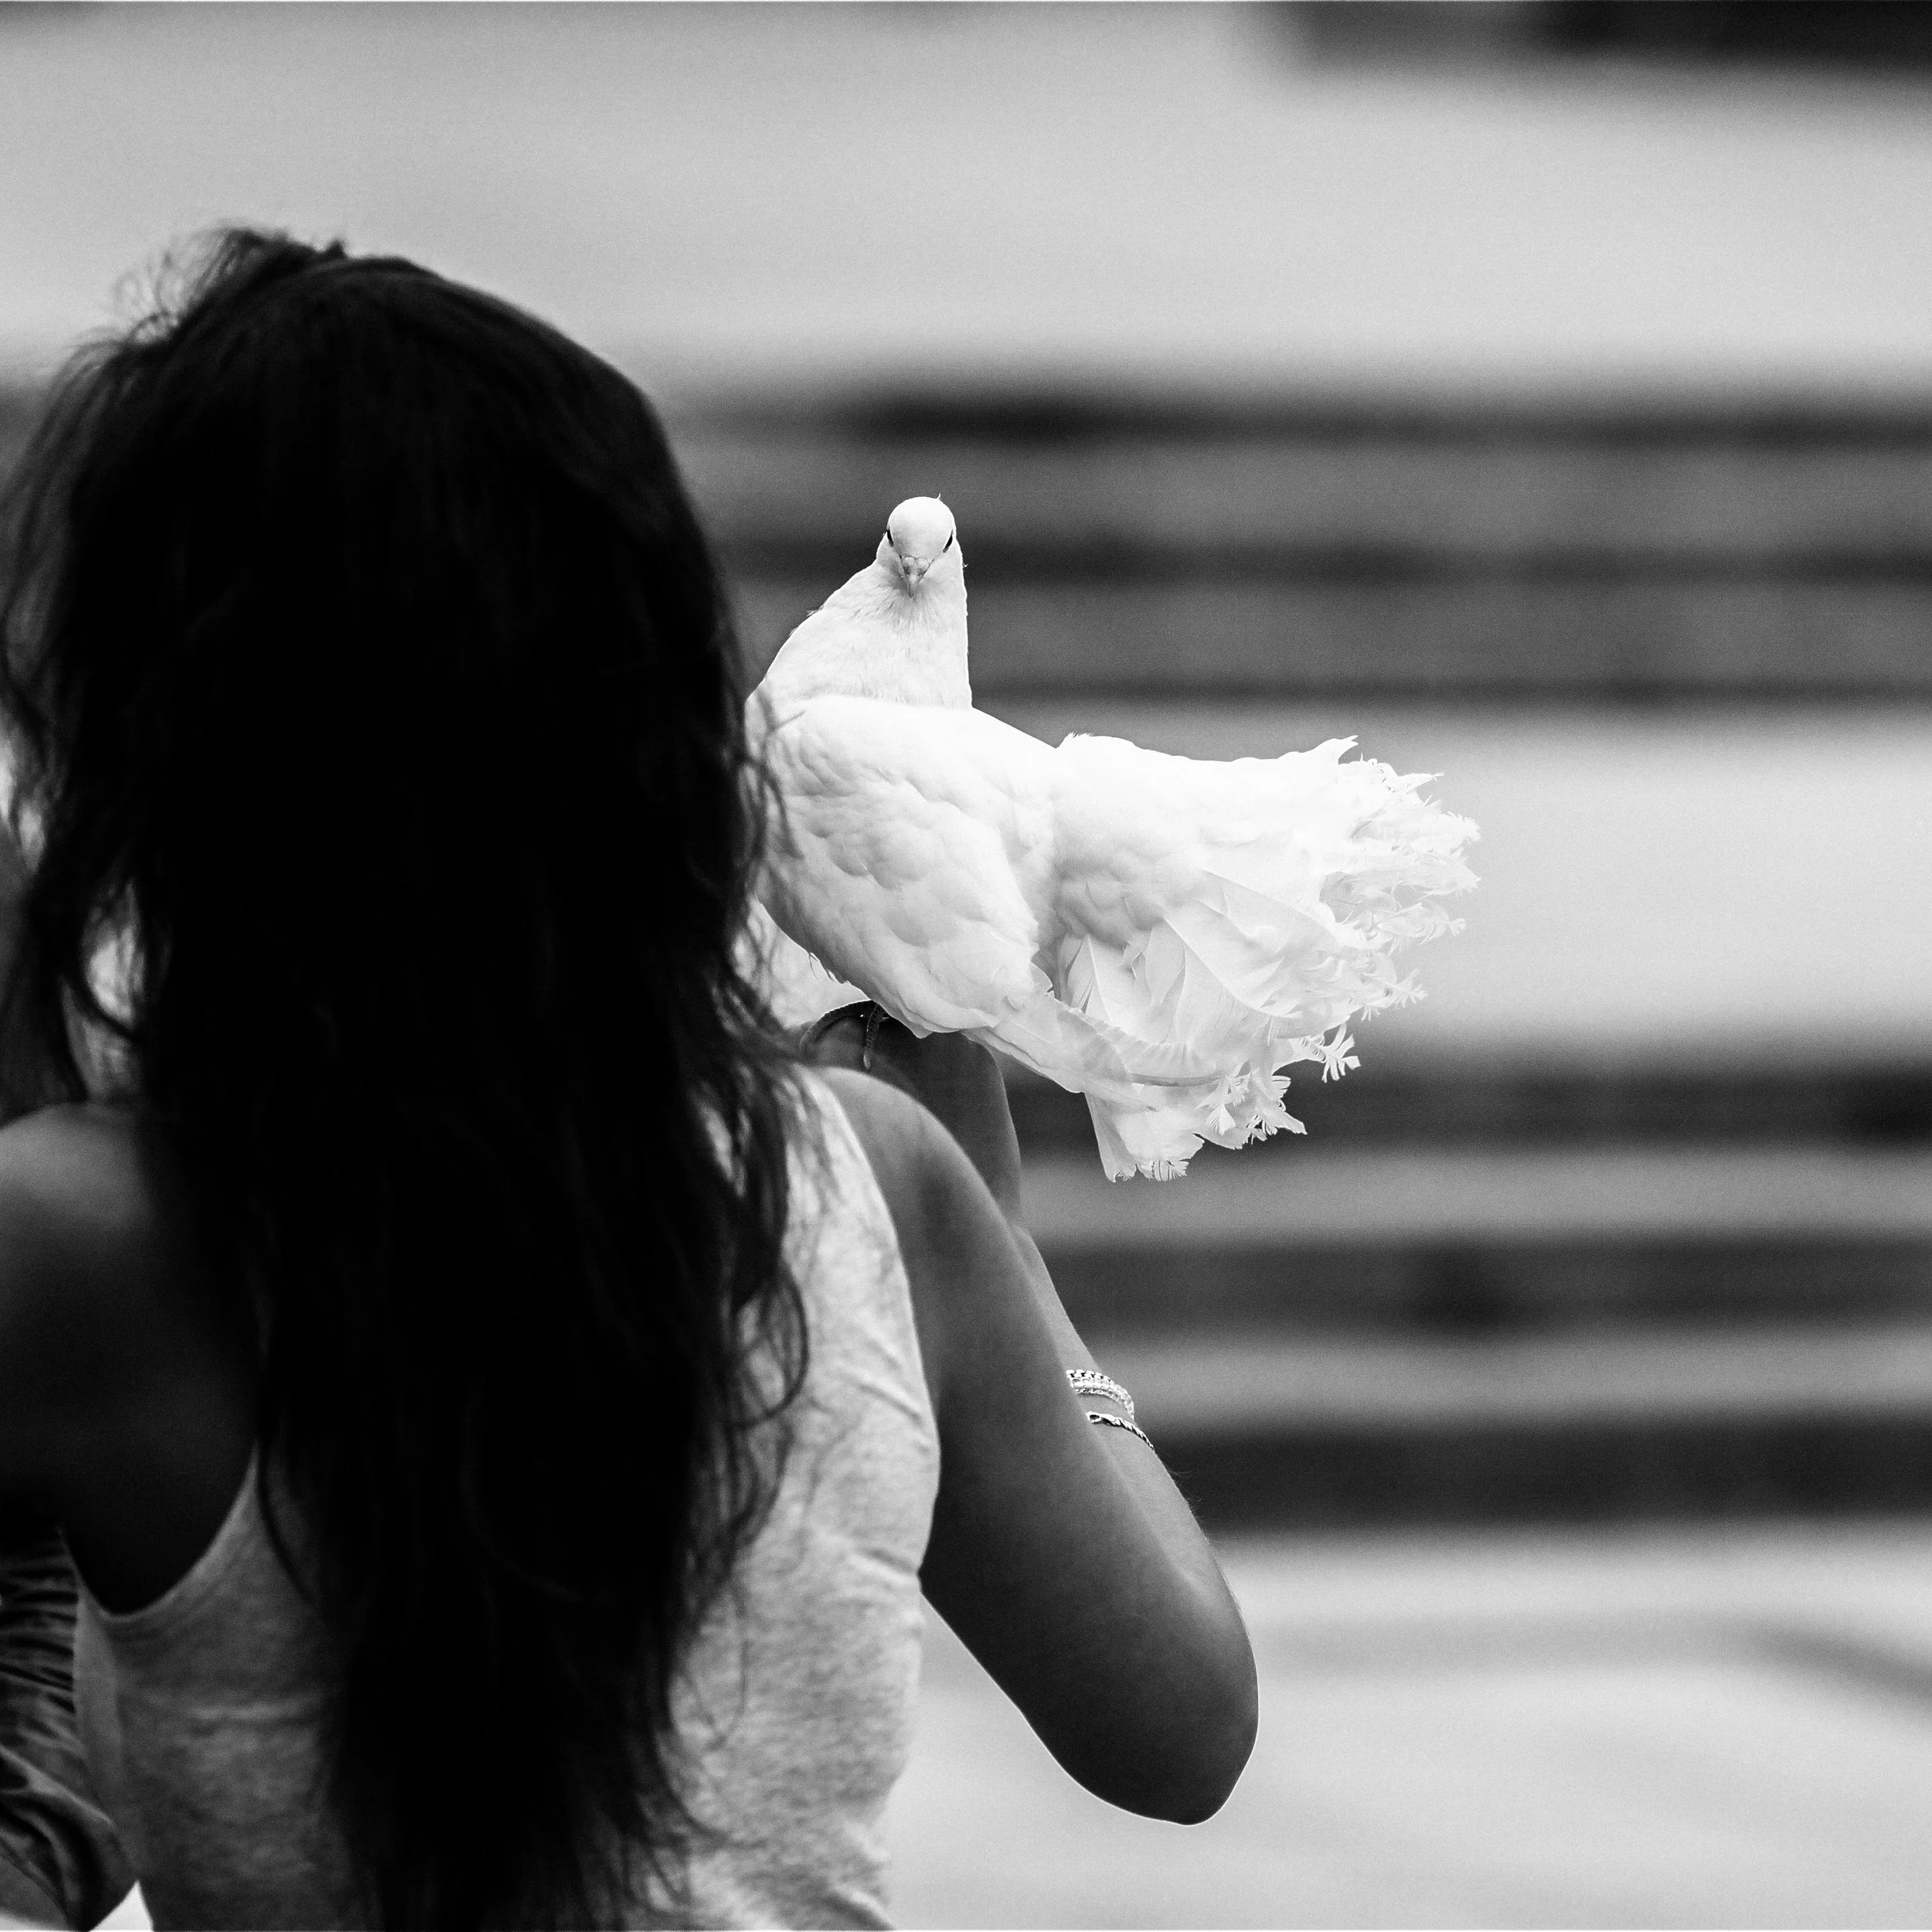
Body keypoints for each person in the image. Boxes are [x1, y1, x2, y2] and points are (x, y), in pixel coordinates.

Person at [0, 230, 1257, 1931]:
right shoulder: (874, 1186)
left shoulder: (91, 1232)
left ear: (179, 750)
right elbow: (1181, 1721)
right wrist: (1002, 1267)